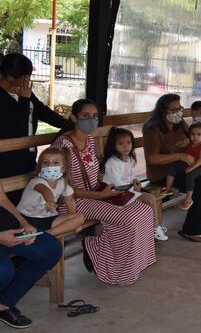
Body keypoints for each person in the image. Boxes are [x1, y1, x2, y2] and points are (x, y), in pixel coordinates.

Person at [53, 99, 156, 283]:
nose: (91, 120)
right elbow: (63, 188)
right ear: (74, 118)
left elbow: (96, 173)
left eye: (94, 116)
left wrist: (119, 184)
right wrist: (101, 195)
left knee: (144, 211)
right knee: (127, 219)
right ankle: (97, 251)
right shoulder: (64, 145)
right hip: (74, 202)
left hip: (97, 194)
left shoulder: (90, 139)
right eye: (85, 116)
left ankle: (131, 266)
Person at [143, 94, 201, 242]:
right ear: (162, 111)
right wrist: (179, 156)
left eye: (179, 108)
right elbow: (152, 159)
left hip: (184, 166)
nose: (178, 112)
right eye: (173, 110)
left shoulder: (180, 124)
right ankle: (191, 229)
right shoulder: (152, 128)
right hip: (164, 172)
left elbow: (198, 141)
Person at [0, 183, 62, 329]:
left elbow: (2, 199)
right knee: (3, 272)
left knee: (51, 249)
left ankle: (4, 302)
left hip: (5, 227)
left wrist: (24, 223)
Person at [0, 53, 68, 184]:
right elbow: (17, 127)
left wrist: (68, 124)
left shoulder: (24, 91)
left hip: (28, 153)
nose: (28, 79)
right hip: (8, 158)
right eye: (25, 76)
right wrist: (24, 100)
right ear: (9, 76)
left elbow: (43, 111)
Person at [101, 127, 168, 241]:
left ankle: (154, 227)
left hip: (126, 190)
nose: (126, 146)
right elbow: (117, 183)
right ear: (114, 145)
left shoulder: (127, 159)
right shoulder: (112, 163)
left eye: (128, 142)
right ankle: (156, 228)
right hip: (114, 194)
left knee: (151, 200)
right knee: (151, 199)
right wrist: (133, 187)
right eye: (121, 144)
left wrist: (134, 180)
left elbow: (128, 176)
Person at [16, 147, 85, 236]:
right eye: (45, 162)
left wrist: (74, 222)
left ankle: (48, 234)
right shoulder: (36, 181)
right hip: (27, 218)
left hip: (48, 218)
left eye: (55, 163)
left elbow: (70, 201)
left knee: (80, 218)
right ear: (40, 166)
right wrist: (50, 201)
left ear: (63, 168)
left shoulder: (63, 182)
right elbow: (45, 190)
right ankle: (43, 235)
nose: (50, 166)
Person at [164, 123, 201, 212]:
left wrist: (191, 168)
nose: (195, 137)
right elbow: (177, 145)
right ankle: (168, 188)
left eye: (198, 134)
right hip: (189, 163)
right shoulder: (189, 142)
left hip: (199, 166)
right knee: (173, 167)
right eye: (192, 134)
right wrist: (183, 142)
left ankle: (189, 199)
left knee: (190, 176)